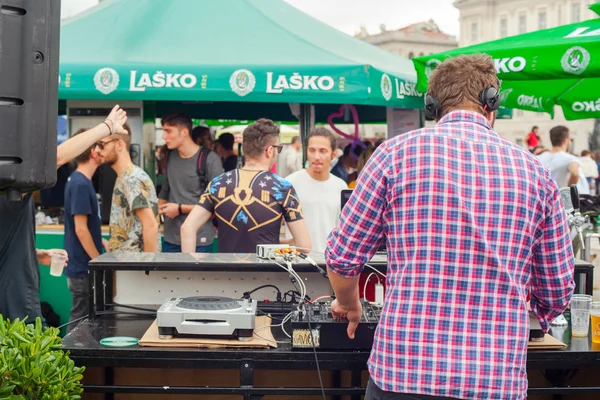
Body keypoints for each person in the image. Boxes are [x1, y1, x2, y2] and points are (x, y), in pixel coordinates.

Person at [325, 55, 575, 400]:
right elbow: (558, 290)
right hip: (494, 379)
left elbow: (341, 257)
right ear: (492, 102)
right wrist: (537, 318)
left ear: (432, 105)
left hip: (404, 374)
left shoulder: (393, 155)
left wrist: (349, 304)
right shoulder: (536, 174)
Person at [0, 105, 128, 322]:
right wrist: (106, 127)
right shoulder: (10, 187)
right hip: (15, 309)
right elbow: (55, 159)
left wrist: (36, 254)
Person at [181, 118, 311, 253]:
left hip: (226, 272)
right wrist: (275, 243)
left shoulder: (218, 183)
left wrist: (189, 268)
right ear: (270, 151)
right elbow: (304, 246)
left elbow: (187, 227)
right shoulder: (282, 187)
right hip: (268, 272)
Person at [158, 114, 223, 253]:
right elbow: (165, 190)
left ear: (185, 132)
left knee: (195, 276)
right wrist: (153, 221)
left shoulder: (210, 160)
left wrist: (180, 208)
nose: (164, 136)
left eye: (168, 131)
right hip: (170, 238)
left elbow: (217, 202)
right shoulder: (170, 156)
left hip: (200, 239)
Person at [63, 129, 107, 332]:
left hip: (81, 266)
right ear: (93, 151)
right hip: (83, 269)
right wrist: (99, 262)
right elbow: (81, 230)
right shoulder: (81, 183)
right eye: (101, 145)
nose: (104, 149)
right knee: (79, 326)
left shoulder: (80, 180)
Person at [95, 125, 160, 252]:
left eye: (102, 144)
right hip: (127, 265)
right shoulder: (125, 177)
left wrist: (147, 269)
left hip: (134, 267)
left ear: (119, 145)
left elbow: (151, 225)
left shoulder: (132, 179)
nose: (97, 150)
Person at [284, 128, 347, 253]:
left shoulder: (341, 186)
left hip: (329, 263)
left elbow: (343, 231)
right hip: (296, 263)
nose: (316, 156)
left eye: (322, 151)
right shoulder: (290, 183)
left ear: (333, 154)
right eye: (312, 150)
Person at [537, 126, 590, 194]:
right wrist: (567, 193)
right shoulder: (569, 158)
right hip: (564, 200)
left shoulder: (539, 158)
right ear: (566, 140)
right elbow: (575, 173)